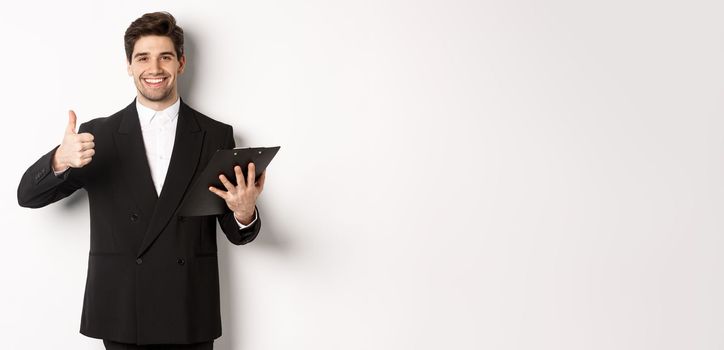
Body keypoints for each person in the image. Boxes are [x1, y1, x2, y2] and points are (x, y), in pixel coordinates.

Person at [16, 12, 266, 350]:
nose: (154, 68)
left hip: (189, 310)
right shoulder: (97, 135)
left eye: (165, 56)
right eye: (143, 57)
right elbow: (27, 195)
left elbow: (237, 233)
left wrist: (244, 212)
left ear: (181, 62)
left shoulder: (214, 135)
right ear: (129, 65)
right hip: (123, 312)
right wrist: (59, 160)